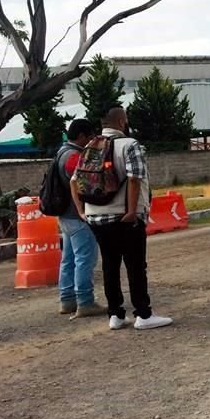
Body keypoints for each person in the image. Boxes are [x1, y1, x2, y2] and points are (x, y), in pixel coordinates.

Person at [71, 107, 172, 331]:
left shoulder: (90, 146)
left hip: (96, 217)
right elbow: (134, 179)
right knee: (135, 265)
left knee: (110, 264)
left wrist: (81, 211)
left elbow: (74, 182)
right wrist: (131, 210)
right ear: (122, 121)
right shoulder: (130, 145)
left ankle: (115, 315)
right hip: (125, 217)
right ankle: (143, 315)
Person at [56, 119, 105, 318]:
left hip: (65, 216)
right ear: (83, 136)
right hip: (77, 215)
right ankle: (85, 301)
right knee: (85, 258)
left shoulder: (60, 152)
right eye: (90, 136)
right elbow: (81, 184)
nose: (92, 141)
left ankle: (67, 299)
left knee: (68, 259)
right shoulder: (73, 156)